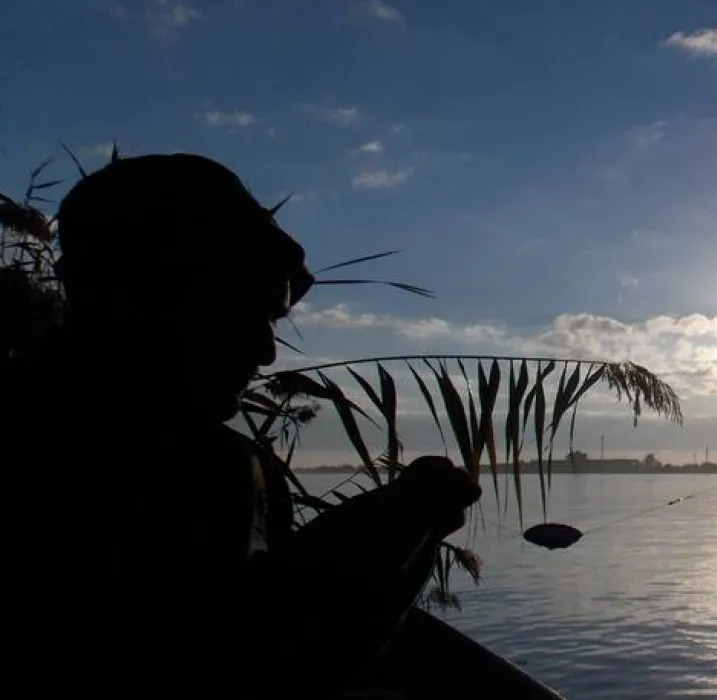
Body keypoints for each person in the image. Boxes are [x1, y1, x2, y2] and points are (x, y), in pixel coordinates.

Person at [9, 153, 482, 699]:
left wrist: (404, 519)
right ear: (132, 294)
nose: (265, 351)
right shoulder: (198, 470)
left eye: (271, 319)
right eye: (237, 311)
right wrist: (404, 520)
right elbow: (254, 664)